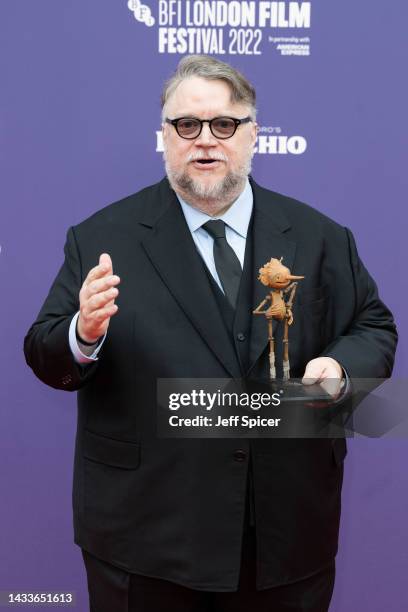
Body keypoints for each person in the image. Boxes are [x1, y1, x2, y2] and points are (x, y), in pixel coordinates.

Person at [24, 55, 397, 612]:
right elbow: (46, 349)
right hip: (145, 539)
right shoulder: (101, 237)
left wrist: (341, 368)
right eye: (186, 125)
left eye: (224, 124)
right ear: (164, 136)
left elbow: (373, 325)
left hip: (285, 539)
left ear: (253, 135)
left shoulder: (321, 237)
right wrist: (84, 332)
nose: (205, 140)